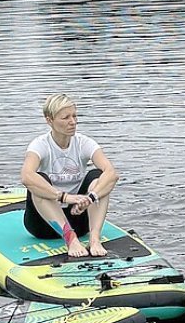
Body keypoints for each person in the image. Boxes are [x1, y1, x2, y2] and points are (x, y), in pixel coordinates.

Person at [20, 94, 122, 258]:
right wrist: (64, 197)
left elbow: (112, 174)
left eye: (74, 116)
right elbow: (26, 176)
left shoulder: (84, 142)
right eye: (65, 117)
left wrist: (89, 198)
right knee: (38, 180)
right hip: (44, 224)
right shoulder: (39, 145)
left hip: (78, 217)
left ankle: (94, 239)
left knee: (99, 176)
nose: (73, 122)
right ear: (49, 120)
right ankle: (70, 239)